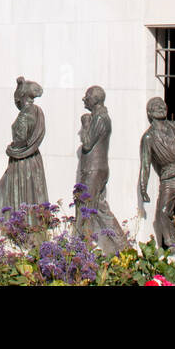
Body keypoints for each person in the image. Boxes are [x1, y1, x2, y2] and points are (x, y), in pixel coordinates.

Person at [74, 85, 125, 256]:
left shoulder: (100, 118)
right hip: (97, 169)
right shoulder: (100, 117)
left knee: (86, 209)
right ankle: (123, 246)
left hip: (93, 169)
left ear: (95, 99)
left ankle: (83, 249)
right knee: (101, 210)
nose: (84, 99)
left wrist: (85, 123)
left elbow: (87, 144)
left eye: (87, 96)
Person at [138, 97, 175, 252]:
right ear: (149, 113)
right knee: (162, 211)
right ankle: (172, 244)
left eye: (162, 105)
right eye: (155, 106)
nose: (160, 107)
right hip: (169, 175)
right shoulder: (148, 137)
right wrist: (143, 188)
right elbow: (145, 165)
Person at [0, 77, 48, 215]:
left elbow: (21, 140)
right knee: (32, 196)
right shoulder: (37, 111)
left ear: (20, 98)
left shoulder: (24, 115)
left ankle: (18, 228)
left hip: (22, 163)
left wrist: (10, 149)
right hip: (34, 159)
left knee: (5, 191)